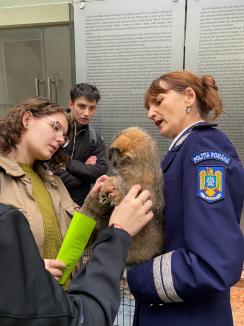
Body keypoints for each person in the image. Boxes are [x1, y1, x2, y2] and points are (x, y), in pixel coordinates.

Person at [126, 70, 244, 325]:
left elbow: (212, 261)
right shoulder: (185, 150)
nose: (150, 113)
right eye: (149, 106)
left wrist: (137, 276)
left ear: (189, 96)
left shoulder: (202, 150)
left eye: (158, 101)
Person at [0, 183, 154, 326]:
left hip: (65, 297)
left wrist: (94, 208)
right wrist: (28, 271)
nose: (60, 151)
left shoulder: (53, 180)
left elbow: (68, 245)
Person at [0, 96, 107, 281]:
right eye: (55, 127)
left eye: (63, 137)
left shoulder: (53, 182)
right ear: (27, 119)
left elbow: (75, 242)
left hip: (58, 300)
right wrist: (30, 269)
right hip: (19, 305)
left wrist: (95, 204)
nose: (59, 139)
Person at [52, 83, 108, 206]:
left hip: (81, 206)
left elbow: (101, 170)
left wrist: (68, 164)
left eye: (92, 108)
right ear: (70, 105)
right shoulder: (55, 130)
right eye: (82, 106)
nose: (87, 113)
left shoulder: (94, 137)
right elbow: (52, 171)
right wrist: (84, 173)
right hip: (54, 202)